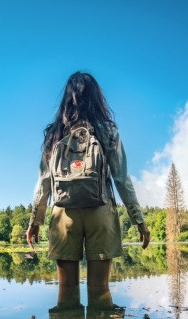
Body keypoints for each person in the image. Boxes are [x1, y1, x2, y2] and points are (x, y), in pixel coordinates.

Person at [26, 71, 150, 287]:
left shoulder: (54, 133)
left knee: (66, 292)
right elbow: (121, 178)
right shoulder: (107, 130)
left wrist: (35, 221)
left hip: (64, 214)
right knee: (100, 290)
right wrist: (138, 219)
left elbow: (44, 182)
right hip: (100, 211)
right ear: (97, 98)